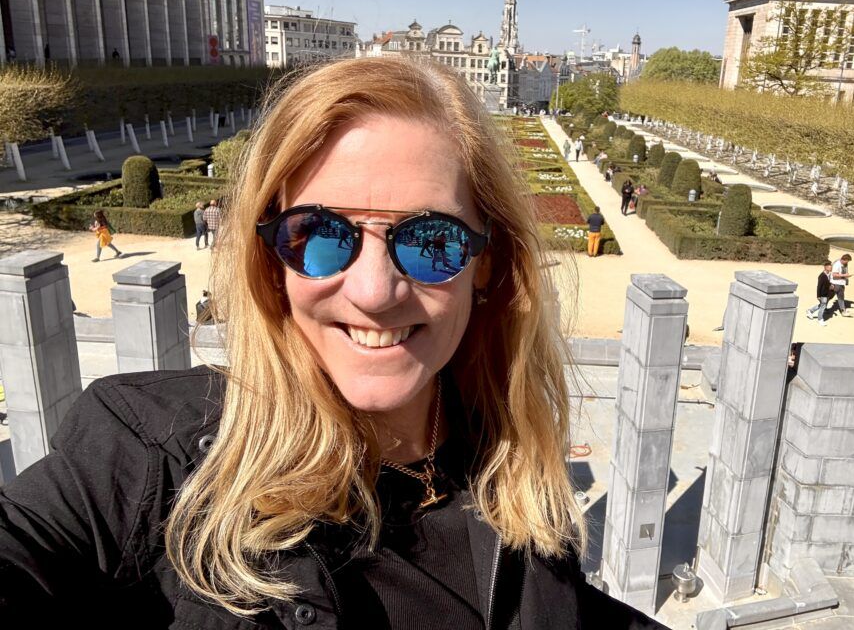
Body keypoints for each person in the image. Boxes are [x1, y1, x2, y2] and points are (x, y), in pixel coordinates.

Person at [0, 57, 666, 629]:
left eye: (431, 240)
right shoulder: (153, 459)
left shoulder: (510, 463)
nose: (375, 291)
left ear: (487, 262)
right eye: (319, 234)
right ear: (272, 261)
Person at [805, 261, 833, 326]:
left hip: (827, 294)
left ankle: (810, 311)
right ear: (825, 267)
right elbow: (819, 286)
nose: (831, 268)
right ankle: (820, 319)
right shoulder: (822, 276)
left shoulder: (828, 275)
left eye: (831, 267)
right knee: (823, 306)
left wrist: (831, 286)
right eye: (829, 267)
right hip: (823, 294)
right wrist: (818, 295)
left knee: (822, 305)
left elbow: (828, 284)